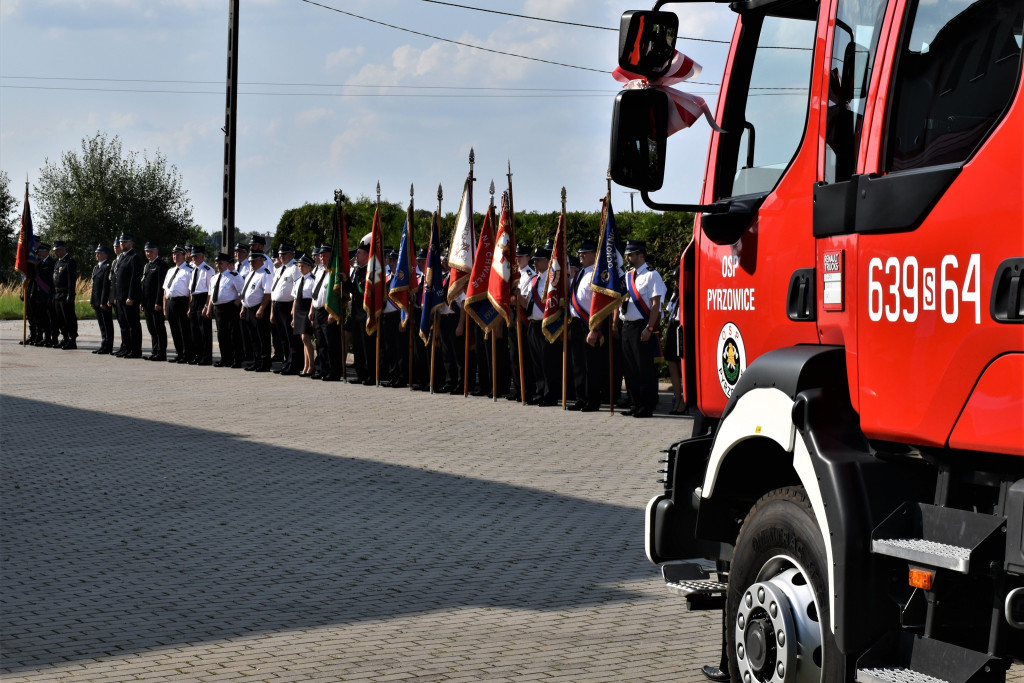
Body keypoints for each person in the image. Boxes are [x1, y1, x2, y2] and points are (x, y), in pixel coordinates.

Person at [619, 241, 666, 418]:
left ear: (641, 255)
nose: (628, 258)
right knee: (629, 368)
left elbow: (655, 305)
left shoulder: (652, 275)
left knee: (643, 368)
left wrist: (649, 327)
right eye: (628, 255)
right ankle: (635, 403)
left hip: (642, 326)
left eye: (631, 255)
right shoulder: (628, 276)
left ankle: (646, 406)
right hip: (627, 326)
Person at [568, 241, 605, 412]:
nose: (581, 255)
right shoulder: (579, 274)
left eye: (585, 252)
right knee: (578, 364)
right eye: (580, 252)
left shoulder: (596, 275)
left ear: (593, 254)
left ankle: (592, 400)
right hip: (576, 323)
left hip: (589, 324)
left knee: (591, 365)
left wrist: (594, 329)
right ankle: (581, 398)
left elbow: (599, 306)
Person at [204, 252, 245, 368]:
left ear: (228, 264)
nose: (218, 266)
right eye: (217, 263)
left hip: (230, 308)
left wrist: (237, 303)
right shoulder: (214, 278)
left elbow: (242, 291)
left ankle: (237, 360)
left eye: (220, 263)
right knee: (222, 335)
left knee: (233, 334)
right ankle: (225, 359)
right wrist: (208, 308)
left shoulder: (234, 276)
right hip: (219, 309)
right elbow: (211, 294)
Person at [506, 244, 535, 402]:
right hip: (513, 316)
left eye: (521, 256)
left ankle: (527, 389)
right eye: (516, 256)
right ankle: (517, 388)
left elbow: (523, 301)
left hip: (522, 317)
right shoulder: (513, 274)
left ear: (528, 258)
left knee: (524, 356)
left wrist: (513, 298)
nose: (517, 259)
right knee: (514, 355)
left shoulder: (529, 275)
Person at [310, 245, 343, 381]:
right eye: (321, 256)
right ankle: (323, 369)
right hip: (318, 310)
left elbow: (336, 294)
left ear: (331, 256)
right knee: (321, 343)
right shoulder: (318, 271)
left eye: (325, 255)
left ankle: (334, 371)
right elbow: (315, 292)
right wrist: (312, 310)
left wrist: (333, 312)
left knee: (331, 343)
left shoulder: (334, 272)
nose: (322, 258)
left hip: (329, 311)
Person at [269, 244, 300, 375]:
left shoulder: (295, 268)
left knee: (290, 337)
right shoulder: (280, 269)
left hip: (287, 306)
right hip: (277, 305)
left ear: (292, 254)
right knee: (283, 338)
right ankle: (287, 362)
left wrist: (294, 308)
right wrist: (272, 310)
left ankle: (294, 364)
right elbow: (274, 290)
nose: (281, 256)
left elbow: (297, 290)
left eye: (284, 254)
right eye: (280, 254)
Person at [240, 250, 273, 372]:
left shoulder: (265, 273)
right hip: (249, 309)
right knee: (253, 338)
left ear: (261, 260)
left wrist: (261, 308)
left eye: (254, 261)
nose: (252, 263)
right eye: (250, 261)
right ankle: (256, 361)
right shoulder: (250, 274)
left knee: (262, 337)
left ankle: (265, 363)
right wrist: (243, 307)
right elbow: (245, 292)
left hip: (259, 309)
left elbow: (268, 293)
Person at [113, 233, 144, 358]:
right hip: (120, 297)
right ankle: (126, 347)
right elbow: (117, 280)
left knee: (133, 325)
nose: (122, 244)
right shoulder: (122, 257)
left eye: (125, 242)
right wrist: (116, 296)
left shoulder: (134, 257)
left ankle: (135, 350)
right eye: (121, 242)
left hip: (129, 298)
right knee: (123, 325)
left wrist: (131, 296)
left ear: (131, 243)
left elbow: (134, 279)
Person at [162, 245, 194, 364]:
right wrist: (165, 306)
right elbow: (165, 290)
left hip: (182, 302)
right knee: (174, 330)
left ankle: (187, 354)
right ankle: (179, 353)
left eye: (178, 255)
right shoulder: (170, 271)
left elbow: (191, 291)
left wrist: (189, 307)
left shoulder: (189, 271)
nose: (175, 257)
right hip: (170, 302)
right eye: (174, 255)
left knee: (184, 330)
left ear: (185, 256)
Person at [141, 242, 169, 361]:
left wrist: (159, 302)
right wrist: (142, 302)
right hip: (147, 302)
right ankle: (154, 350)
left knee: (159, 328)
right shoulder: (147, 266)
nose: (148, 253)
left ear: (156, 251)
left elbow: (160, 286)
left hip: (155, 303)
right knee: (151, 328)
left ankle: (161, 352)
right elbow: (143, 285)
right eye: (147, 251)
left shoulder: (161, 265)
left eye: (151, 251)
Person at [188, 245, 215, 365]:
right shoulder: (193, 270)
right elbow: (191, 291)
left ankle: (206, 356)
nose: (194, 258)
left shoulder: (208, 270)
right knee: (194, 331)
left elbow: (211, 290)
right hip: (194, 300)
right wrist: (189, 307)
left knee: (204, 331)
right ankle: (198, 355)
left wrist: (207, 306)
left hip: (203, 298)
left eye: (196, 256)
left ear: (202, 256)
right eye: (192, 256)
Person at [291, 253, 316, 376]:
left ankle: (311, 366)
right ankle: (305, 366)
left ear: (309, 267)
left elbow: (313, 298)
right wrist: (293, 314)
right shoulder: (298, 281)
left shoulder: (312, 280)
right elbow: (295, 298)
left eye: (303, 266)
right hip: (299, 311)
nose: (300, 268)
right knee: (303, 339)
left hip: (307, 310)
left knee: (306, 339)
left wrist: (312, 312)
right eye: (299, 266)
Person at [51, 241, 78, 350]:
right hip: (57, 294)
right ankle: (65, 338)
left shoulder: (69, 262)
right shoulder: (58, 262)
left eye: (57, 250)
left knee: (69, 318)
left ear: (63, 249)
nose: (55, 253)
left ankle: (72, 340)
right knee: (60, 319)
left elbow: (71, 280)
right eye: (54, 251)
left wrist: (70, 295)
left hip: (65, 293)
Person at [90, 244, 114, 354]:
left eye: (99, 253)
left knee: (107, 324)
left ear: (105, 255)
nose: (97, 255)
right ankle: (103, 344)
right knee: (101, 324)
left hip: (103, 301)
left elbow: (106, 285)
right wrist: (92, 300)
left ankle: (108, 345)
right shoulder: (96, 267)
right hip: (97, 300)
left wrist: (103, 301)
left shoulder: (107, 266)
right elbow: (94, 286)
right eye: (96, 253)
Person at [31, 242, 56, 347]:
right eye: (38, 252)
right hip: (39, 295)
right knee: (41, 317)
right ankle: (44, 337)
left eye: (41, 252)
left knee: (51, 317)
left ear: (47, 252)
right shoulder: (39, 263)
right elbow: (34, 280)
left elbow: (52, 280)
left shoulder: (52, 263)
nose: (39, 253)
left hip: (49, 294)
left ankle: (52, 338)